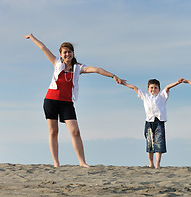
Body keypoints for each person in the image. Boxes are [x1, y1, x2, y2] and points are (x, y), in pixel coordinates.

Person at [24, 33, 125, 168]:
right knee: (53, 132)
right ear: (61, 54)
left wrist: (113, 76)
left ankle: (82, 162)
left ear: (73, 53)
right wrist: (32, 37)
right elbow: (43, 48)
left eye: (69, 52)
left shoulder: (78, 68)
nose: (67, 54)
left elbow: (97, 69)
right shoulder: (56, 62)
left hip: (67, 103)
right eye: (65, 52)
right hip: (51, 101)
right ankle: (56, 163)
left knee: (75, 132)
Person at [121, 78, 183, 169]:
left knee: (159, 142)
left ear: (159, 89)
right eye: (151, 88)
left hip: (159, 121)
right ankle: (151, 163)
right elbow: (134, 88)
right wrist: (123, 84)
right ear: (148, 89)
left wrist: (178, 82)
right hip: (149, 122)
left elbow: (168, 87)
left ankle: (157, 164)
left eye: (155, 88)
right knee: (150, 142)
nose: (153, 89)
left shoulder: (162, 96)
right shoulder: (145, 96)